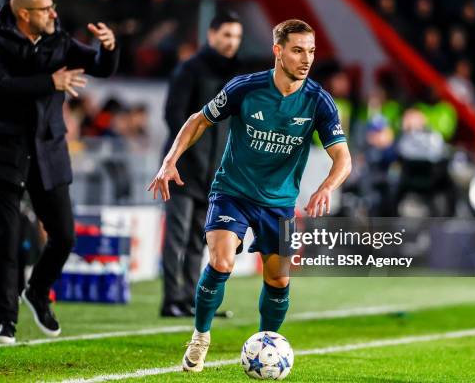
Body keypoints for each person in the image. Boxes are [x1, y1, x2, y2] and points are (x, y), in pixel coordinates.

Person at [149, 19, 351, 372]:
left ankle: (267, 346)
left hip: (279, 203)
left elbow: (344, 159)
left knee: (278, 279)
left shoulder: (318, 101)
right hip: (232, 192)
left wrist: (325, 187)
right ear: (278, 51)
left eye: (312, 51)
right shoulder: (246, 88)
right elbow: (198, 120)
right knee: (222, 263)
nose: (307, 59)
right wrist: (170, 161)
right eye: (298, 50)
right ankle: (200, 336)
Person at [0, 0, 119, 344]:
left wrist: (109, 47)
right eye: (45, 9)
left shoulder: (60, 41)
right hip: (5, 151)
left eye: (53, 7)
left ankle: (37, 291)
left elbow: (100, 69)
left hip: (49, 151)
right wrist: (49, 82)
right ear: (24, 14)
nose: (54, 14)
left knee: (65, 236)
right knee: (6, 242)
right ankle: (5, 324)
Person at [160, 11, 242, 318]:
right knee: (176, 237)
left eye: (236, 36)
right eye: (226, 35)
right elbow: (173, 117)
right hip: (183, 170)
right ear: (211, 35)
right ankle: (171, 300)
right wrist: (183, 158)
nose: (231, 42)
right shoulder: (189, 70)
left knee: (200, 239)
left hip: (215, 175)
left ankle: (191, 299)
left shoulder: (236, 77)